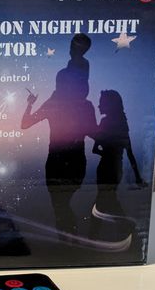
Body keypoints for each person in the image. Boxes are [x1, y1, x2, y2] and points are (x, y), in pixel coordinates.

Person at [21, 34, 97, 236]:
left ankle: (68, 238)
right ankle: (70, 238)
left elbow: (25, 123)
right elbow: (95, 134)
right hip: (74, 161)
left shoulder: (54, 104)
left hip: (58, 162)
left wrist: (30, 104)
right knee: (61, 206)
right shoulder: (85, 106)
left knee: (59, 206)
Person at [92, 90, 146, 218]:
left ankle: (123, 224)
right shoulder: (122, 124)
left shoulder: (104, 123)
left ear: (109, 105)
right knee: (107, 199)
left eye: (101, 103)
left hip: (104, 169)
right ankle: (123, 224)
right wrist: (137, 177)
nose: (98, 106)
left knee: (104, 200)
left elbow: (95, 149)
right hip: (116, 170)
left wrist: (106, 153)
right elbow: (130, 153)